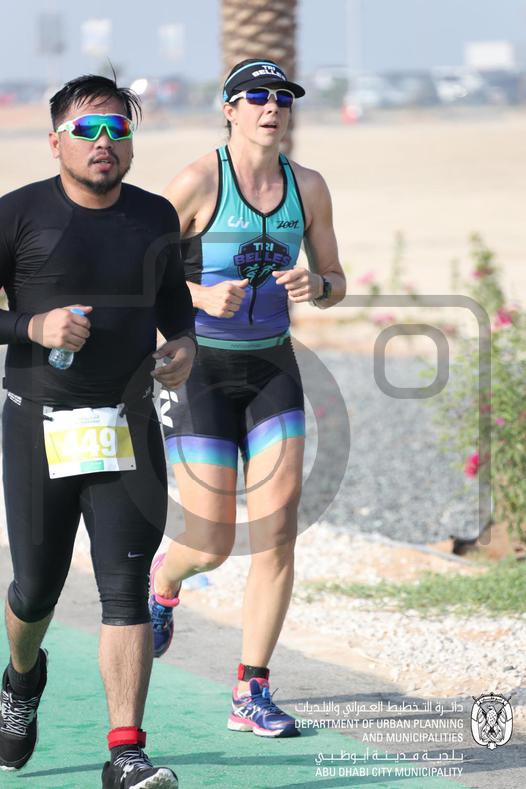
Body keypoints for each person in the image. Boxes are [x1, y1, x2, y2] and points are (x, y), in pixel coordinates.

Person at [0, 74, 196, 788]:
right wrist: (32, 327)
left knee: (125, 588)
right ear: (56, 142)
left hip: (126, 425)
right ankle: (21, 678)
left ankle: (125, 752)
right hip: (38, 425)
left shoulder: (154, 217)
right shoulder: (18, 214)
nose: (104, 141)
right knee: (35, 590)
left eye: (118, 128)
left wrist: (184, 345)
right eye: (87, 129)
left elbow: (176, 304)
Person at [149, 59, 346, 737]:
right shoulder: (198, 182)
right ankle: (165, 582)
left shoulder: (308, 187)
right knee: (210, 541)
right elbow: (142, 271)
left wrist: (317, 286)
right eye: (256, 96)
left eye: (282, 97)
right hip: (199, 369)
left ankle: (251, 688)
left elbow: (336, 278)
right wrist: (200, 296)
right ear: (228, 108)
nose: (272, 107)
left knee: (278, 530)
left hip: (271, 368)